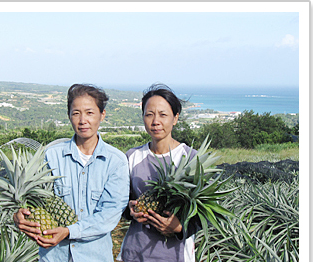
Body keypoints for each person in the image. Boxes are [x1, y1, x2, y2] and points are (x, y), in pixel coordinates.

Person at [13, 83, 130, 262]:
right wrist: (21, 214)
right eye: (76, 113)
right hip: (54, 257)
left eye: (90, 113)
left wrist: (69, 231)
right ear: (69, 116)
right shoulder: (50, 156)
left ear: (102, 115)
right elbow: (35, 199)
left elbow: (109, 215)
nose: (83, 120)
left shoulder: (116, 161)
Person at [119, 83, 201, 262]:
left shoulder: (190, 158)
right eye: (149, 114)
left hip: (176, 255)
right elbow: (122, 202)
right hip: (135, 253)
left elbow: (203, 215)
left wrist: (179, 228)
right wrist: (130, 211)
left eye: (163, 115)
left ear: (175, 118)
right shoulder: (132, 156)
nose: (155, 121)